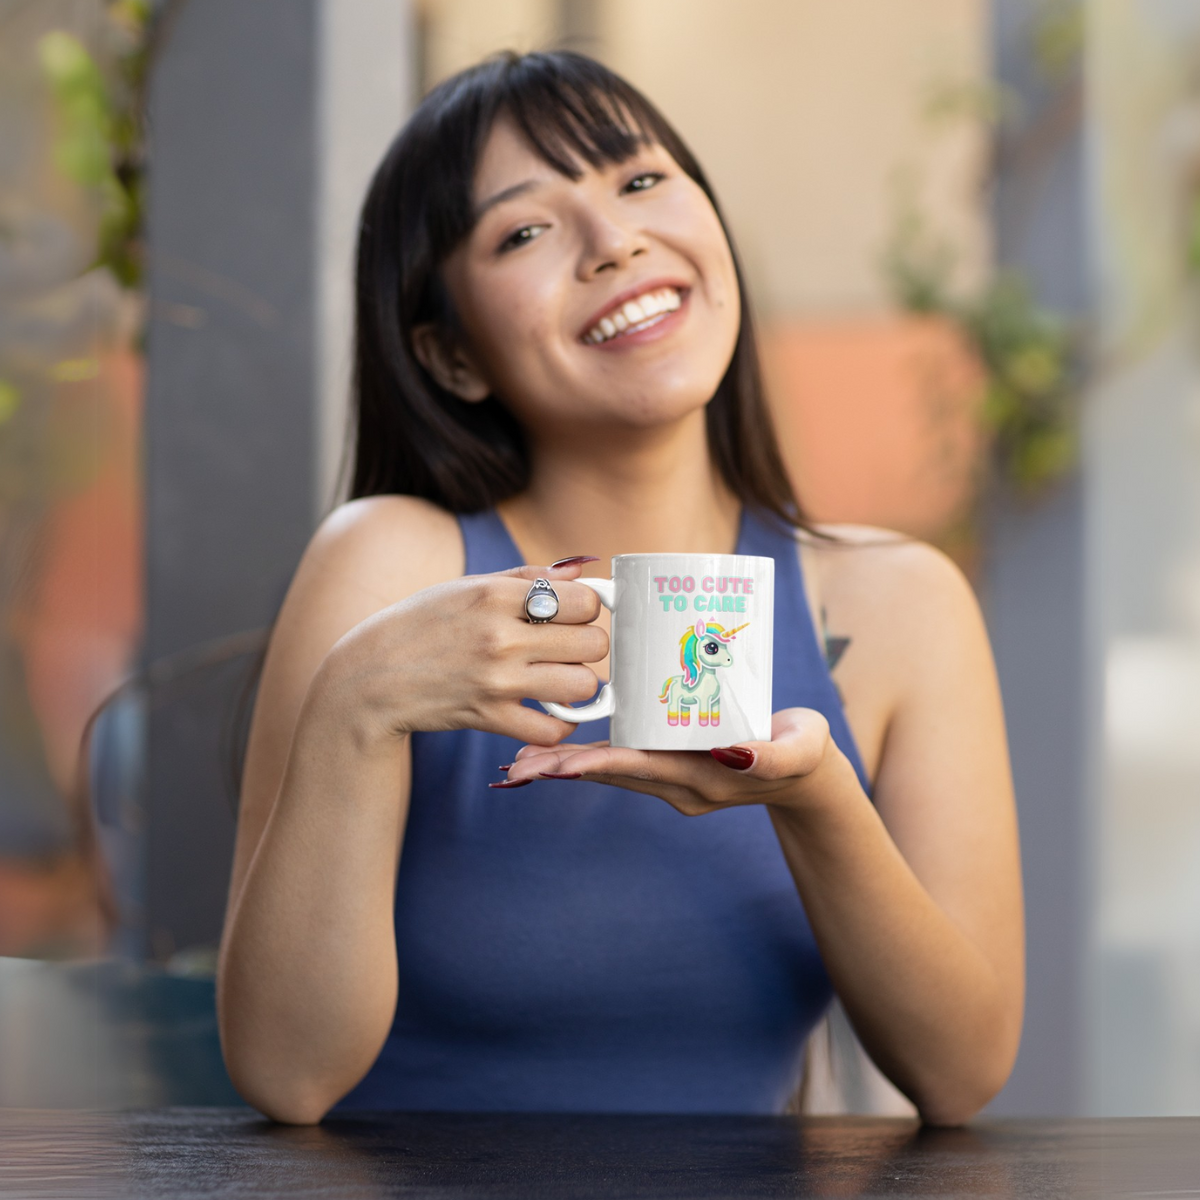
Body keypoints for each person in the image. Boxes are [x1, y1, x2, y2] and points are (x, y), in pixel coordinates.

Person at [216, 50, 1024, 1126]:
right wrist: (356, 705)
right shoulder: (392, 563)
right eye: (525, 231)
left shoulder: (897, 604)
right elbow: (286, 1075)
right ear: (451, 357)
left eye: (640, 181)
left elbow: (962, 1076)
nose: (615, 242)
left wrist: (816, 800)